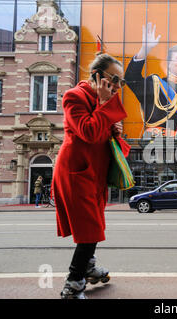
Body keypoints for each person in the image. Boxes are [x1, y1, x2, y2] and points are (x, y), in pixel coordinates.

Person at [52, 52, 130, 299]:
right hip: (76, 172)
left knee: (94, 225)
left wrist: (116, 131)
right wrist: (106, 107)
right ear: (97, 76)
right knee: (90, 228)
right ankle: (73, 284)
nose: (117, 87)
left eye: (121, 82)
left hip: (94, 174)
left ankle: (89, 266)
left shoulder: (100, 99)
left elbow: (104, 137)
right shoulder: (74, 97)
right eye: (113, 79)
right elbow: (88, 132)